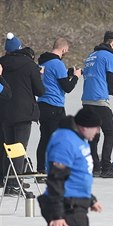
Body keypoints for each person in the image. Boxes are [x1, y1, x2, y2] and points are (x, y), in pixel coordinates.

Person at [0, 33, 46, 194]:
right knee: (19, 148)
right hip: (24, 112)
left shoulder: (1, 63)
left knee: (9, 149)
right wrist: (39, 76)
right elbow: (40, 90)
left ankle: (8, 182)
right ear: (19, 48)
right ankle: (14, 184)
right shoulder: (29, 64)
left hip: (5, 112)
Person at [81, 31, 113, 179]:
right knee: (110, 133)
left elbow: (98, 79)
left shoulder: (91, 56)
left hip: (86, 100)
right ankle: (106, 167)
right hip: (99, 101)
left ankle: (94, 167)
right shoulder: (109, 56)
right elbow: (110, 81)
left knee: (93, 136)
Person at [36, 37, 82, 174]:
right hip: (54, 106)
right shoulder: (57, 64)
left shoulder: (43, 63)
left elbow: (53, 81)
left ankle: (41, 169)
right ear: (63, 49)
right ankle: (54, 169)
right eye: (66, 51)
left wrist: (67, 74)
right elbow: (67, 87)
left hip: (42, 105)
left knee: (44, 138)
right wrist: (76, 76)